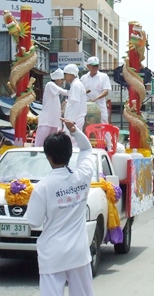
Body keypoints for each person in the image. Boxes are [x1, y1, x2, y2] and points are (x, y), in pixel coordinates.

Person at [25, 118, 95, 296]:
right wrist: (75, 131)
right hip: (78, 252)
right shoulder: (83, 176)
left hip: (52, 253)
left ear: (48, 157)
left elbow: (33, 221)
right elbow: (87, 149)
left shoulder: (43, 187)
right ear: (71, 154)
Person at [35, 68, 69, 147]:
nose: (63, 81)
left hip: (54, 122)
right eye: (61, 79)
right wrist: (74, 92)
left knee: (51, 144)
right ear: (56, 79)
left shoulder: (55, 90)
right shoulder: (50, 85)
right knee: (40, 144)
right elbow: (63, 91)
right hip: (46, 121)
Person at [80, 56, 111, 124]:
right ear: (88, 66)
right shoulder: (83, 78)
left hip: (100, 107)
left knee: (103, 125)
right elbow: (81, 92)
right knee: (87, 126)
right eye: (93, 66)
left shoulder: (103, 77)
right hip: (87, 107)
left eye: (97, 66)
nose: (95, 68)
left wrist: (95, 99)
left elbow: (106, 91)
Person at [63, 64, 87, 132]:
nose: (64, 77)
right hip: (76, 119)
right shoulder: (77, 84)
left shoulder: (76, 85)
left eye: (65, 74)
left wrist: (71, 121)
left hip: (74, 119)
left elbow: (75, 104)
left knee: (70, 140)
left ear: (71, 74)